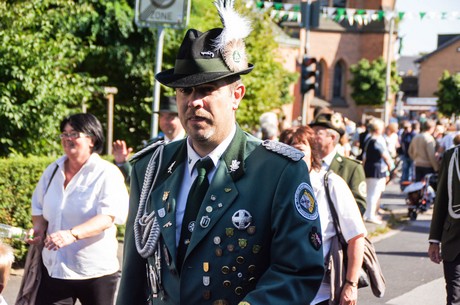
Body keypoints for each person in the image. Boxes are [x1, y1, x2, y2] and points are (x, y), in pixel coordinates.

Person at [116, 1, 324, 304]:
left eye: (206, 89)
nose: (194, 102)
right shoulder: (151, 168)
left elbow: (298, 270)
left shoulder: (276, 171)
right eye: (185, 91)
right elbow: (135, 276)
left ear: (236, 95)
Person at [27, 113, 129, 305]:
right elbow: (38, 208)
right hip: (55, 269)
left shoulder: (107, 173)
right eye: (64, 134)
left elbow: (108, 216)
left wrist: (72, 234)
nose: (67, 139)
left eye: (74, 133)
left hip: (95, 272)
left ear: (92, 139)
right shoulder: (52, 170)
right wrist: (38, 230)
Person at [279, 126, 367, 305]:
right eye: (288, 150)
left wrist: (351, 284)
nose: (294, 155)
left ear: (312, 152)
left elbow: (356, 236)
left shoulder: (331, 184)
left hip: (322, 292)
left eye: (301, 149)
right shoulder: (276, 187)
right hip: (284, 290)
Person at [113, 95, 186, 180]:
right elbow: (138, 181)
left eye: (170, 117)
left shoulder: (192, 144)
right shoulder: (151, 147)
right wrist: (122, 163)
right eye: (162, 116)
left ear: (181, 118)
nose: (165, 121)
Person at [309, 112, 367, 216]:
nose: (312, 137)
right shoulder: (307, 164)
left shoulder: (351, 168)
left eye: (318, 132)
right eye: (311, 132)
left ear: (332, 137)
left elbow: (359, 205)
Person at [428, 145, 460, 305]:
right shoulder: (451, 156)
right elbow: (441, 199)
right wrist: (434, 240)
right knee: (454, 298)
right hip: (454, 239)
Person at [362, 118, 394, 224]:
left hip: (369, 168)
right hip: (376, 169)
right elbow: (384, 155)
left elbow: (364, 157)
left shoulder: (368, 139)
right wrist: (390, 167)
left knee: (370, 193)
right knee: (373, 193)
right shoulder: (376, 141)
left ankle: (368, 214)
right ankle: (370, 215)